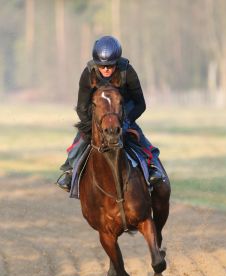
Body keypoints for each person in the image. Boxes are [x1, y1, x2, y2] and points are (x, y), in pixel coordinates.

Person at [57, 35, 167, 192]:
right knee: (80, 141)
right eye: (102, 66)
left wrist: (125, 121)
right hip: (96, 116)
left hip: (122, 113)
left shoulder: (127, 71)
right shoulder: (88, 74)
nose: (106, 69)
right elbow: (82, 107)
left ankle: (152, 167)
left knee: (140, 139)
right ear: (96, 63)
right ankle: (69, 171)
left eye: (110, 65)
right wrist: (94, 126)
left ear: (117, 62)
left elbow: (140, 104)